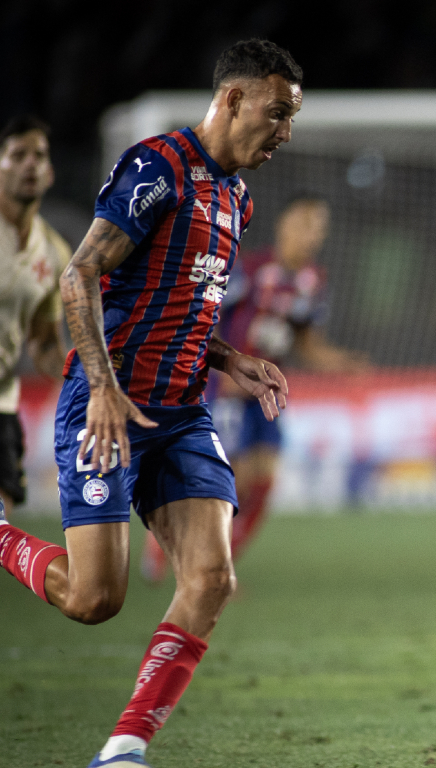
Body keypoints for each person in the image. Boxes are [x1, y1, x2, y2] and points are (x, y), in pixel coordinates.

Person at [0, 39, 301, 768]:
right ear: (233, 99)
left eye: (291, 117)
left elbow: (185, 306)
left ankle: (125, 747)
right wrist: (103, 385)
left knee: (212, 578)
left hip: (182, 414)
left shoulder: (236, 199)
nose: (285, 132)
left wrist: (233, 359)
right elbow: (79, 275)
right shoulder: (157, 167)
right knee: (93, 599)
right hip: (108, 405)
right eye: (277, 112)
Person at [140, 192, 367, 583]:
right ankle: (167, 541)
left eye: (319, 228)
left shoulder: (313, 282)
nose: (312, 235)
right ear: (284, 226)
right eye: (305, 225)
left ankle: (219, 569)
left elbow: (307, 344)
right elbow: (205, 319)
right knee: (235, 479)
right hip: (227, 391)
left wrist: (344, 362)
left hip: (266, 397)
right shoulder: (249, 270)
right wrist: (219, 371)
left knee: (264, 482)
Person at [0, 115, 70, 512]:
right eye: (17, 155)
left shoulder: (54, 252)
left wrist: (90, 379)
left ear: (50, 174)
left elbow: (43, 343)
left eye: (39, 156)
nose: (30, 164)